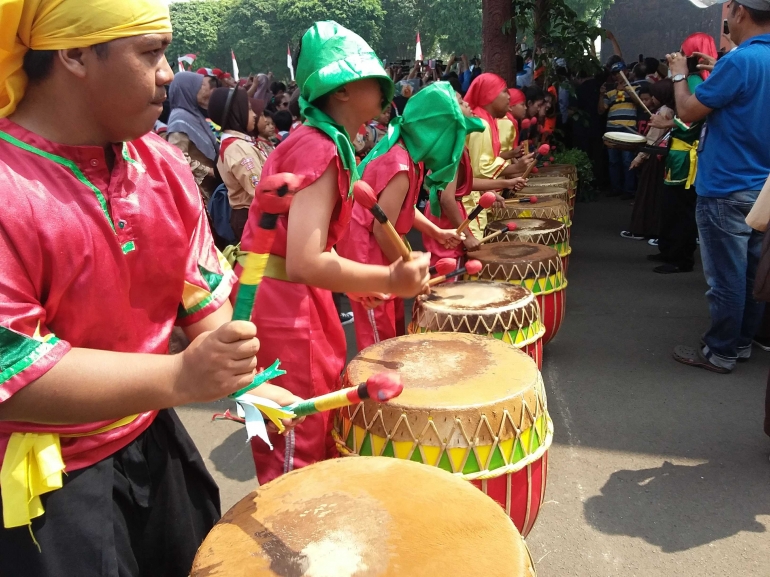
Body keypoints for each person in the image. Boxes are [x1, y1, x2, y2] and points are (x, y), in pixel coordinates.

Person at [0, 1, 302, 574]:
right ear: (72, 54)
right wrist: (180, 376)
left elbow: (198, 290)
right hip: (51, 477)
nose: (168, 74)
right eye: (151, 53)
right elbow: (11, 372)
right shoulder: (8, 184)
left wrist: (237, 372)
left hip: (151, 433)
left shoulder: (159, 164)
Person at [237, 21, 430, 484]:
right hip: (287, 305)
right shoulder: (317, 147)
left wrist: (356, 285)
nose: (384, 85)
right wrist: (388, 280)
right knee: (295, 442)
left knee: (315, 422)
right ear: (340, 90)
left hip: (293, 296)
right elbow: (305, 259)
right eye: (371, 77)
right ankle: (292, 546)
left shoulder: (320, 142)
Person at [669, 1, 770, 374]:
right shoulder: (750, 62)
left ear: (740, 12)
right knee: (750, 275)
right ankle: (740, 344)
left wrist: (680, 75)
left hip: (726, 187)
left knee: (727, 278)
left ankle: (720, 352)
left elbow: (688, 112)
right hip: (763, 190)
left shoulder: (740, 61)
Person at [338, 83, 474, 350]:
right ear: (435, 132)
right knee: (380, 336)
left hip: (380, 248)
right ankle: (377, 386)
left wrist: (436, 232)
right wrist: (406, 270)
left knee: (395, 325)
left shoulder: (409, 156)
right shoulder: (399, 163)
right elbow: (381, 229)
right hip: (368, 253)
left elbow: (403, 209)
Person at [423, 92, 528, 269]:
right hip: (448, 215)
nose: (468, 105)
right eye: (462, 103)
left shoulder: (452, 144)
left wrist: (504, 183)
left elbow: (462, 185)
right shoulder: (451, 150)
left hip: (448, 213)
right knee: (448, 269)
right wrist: (468, 236)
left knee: (450, 265)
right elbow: (447, 199)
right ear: (450, 113)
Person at [649, 33, 716, 274]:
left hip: (686, 157)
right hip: (678, 154)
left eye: (682, 52)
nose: (677, 56)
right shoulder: (694, 80)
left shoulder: (696, 81)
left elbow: (693, 120)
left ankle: (680, 257)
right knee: (671, 206)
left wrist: (666, 124)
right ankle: (669, 250)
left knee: (681, 209)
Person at [464, 73, 532, 237]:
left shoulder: (487, 121)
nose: (509, 97)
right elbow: (479, 169)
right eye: (504, 91)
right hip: (468, 203)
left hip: (476, 195)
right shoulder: (481, 124)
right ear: (489, 95)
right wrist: (513, 171)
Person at [207, 87, 267, 241]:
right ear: (237, 112)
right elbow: (261, 191)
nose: (254, 115)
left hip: (247, 215)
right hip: (252, 216)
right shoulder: (239, 148)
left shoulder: (232, 143)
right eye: (248, 109)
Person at [622, 79, 675, 241]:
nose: (652, 99)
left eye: (655, 95)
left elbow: (653, 139)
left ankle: (643, 229)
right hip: (661, 156)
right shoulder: (671, 110)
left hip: (655, 156)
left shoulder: (664, 111)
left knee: (648, 195)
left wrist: (639, 158)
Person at [167, 71, 219, 200]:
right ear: (187, 89)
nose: (205, 89)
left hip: (211, 187)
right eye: (200, 85)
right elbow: (177, 158)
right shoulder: (180, 118)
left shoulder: (194, 115)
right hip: (199, 192)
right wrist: (209, 172)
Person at [599, 61, 639, 199]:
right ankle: (615, 188)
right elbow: (601, 110)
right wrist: (601, 94)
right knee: (613, 161)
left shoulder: (636, 86)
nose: (618, 76)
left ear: (626, 71)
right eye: (615, 74)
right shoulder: (610, 91)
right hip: (612, 130)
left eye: (620, 72)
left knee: (627, 160)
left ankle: (629, 190)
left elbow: (640, 103)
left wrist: (627, 89)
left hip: (628, 130)